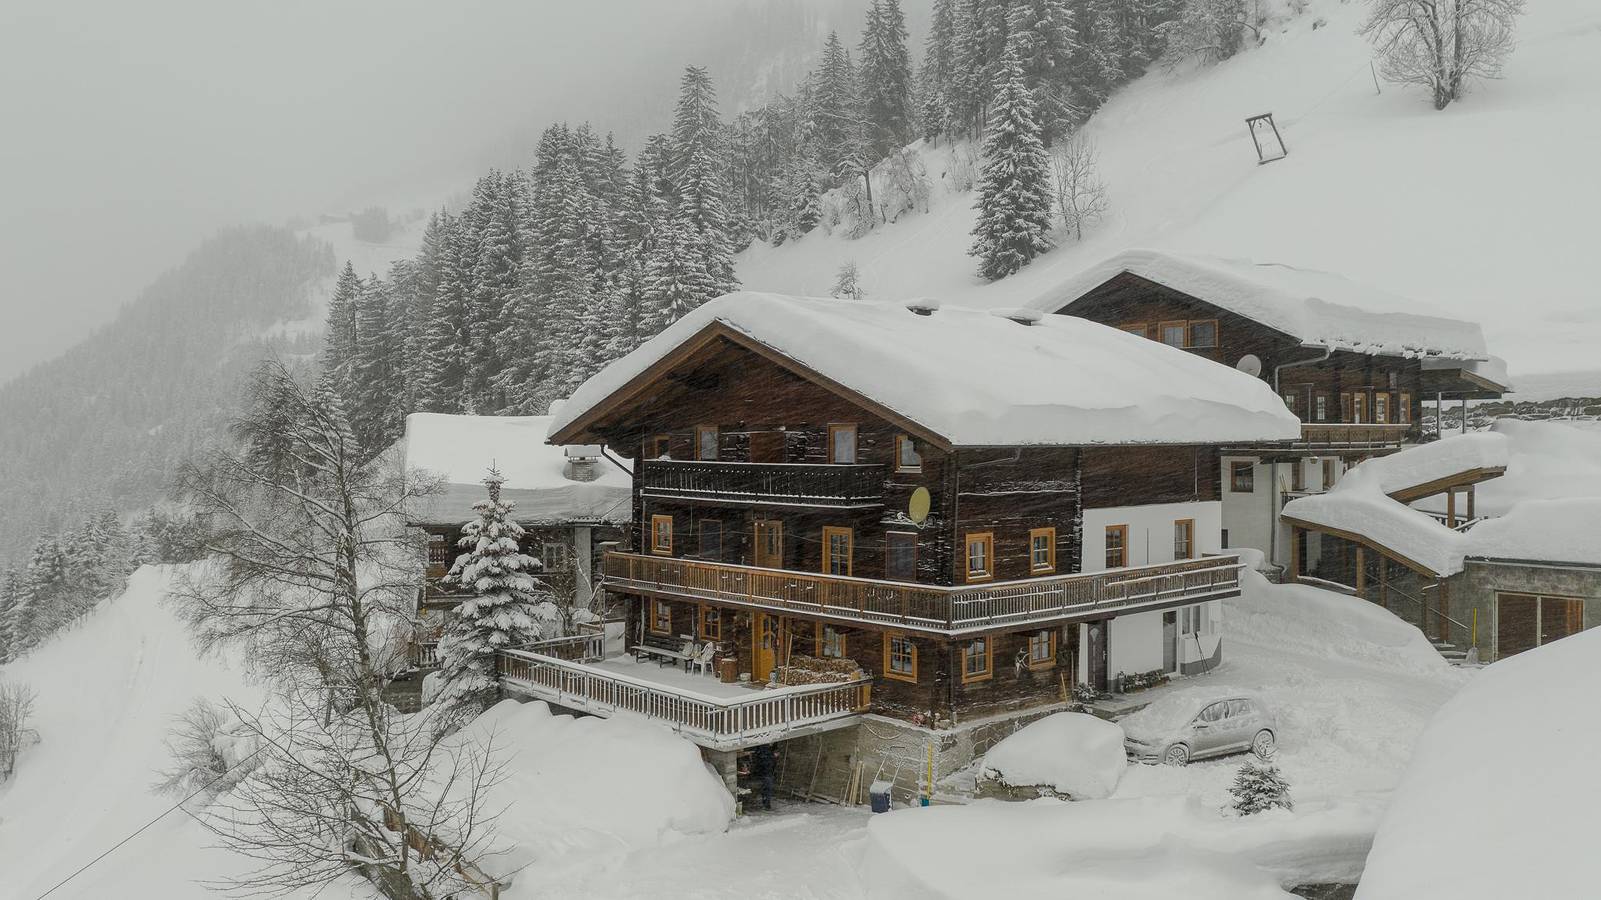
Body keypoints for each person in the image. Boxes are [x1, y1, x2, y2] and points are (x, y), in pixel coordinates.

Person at [751, 743, 776, 810]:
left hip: (763, 772)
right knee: (767, 788)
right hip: (766, 773)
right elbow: (767, 762)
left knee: (766, 788)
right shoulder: (766, 751)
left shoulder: (760, 750)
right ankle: (766, 804)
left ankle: (766, 803)